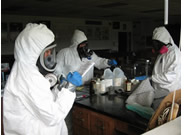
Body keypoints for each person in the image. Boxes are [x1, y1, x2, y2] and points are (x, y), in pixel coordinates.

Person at [3, 23, 82, 135]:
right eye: (47, 53)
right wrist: (69, 89)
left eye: (51, 52)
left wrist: (59, 89)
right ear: (35, 53)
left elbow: (45, 101)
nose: (50, 56)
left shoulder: (25, 71)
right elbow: (53, 116)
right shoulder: (30, 78)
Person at [151, 26, 181, 93]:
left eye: (157, 43)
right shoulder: (162, 52)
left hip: (169, 92)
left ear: (164, 41)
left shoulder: (174, 53)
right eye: (153, 43)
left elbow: (170, 76)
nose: (155, 46)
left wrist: (151, 78)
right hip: (159, 91)